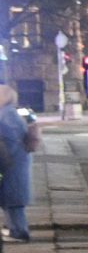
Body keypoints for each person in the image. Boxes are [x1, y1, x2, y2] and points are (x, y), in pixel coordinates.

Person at [0, 100, 34, 240]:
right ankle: (14, 228)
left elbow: (7, 140)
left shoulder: (6, 115)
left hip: (10, 163)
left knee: (12, 200)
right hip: (13, 163)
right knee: (10, 199)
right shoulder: (9, 113)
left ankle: (19, 231)